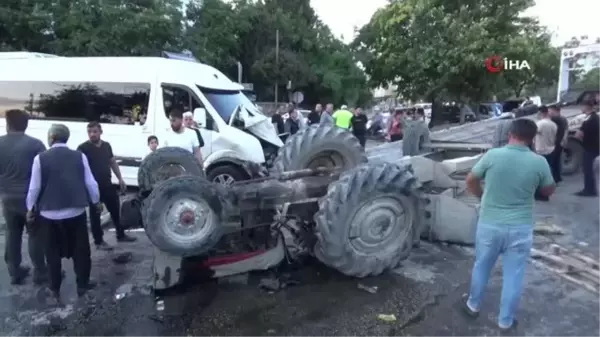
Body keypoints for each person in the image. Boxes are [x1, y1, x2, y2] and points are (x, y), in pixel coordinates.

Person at [461, 119, 555, 332]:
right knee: (514, 274)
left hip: (490, 223)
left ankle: (473, 306)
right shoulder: (538, 161)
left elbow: (470, 180)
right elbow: (548, 190)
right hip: (520, 227)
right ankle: (505, 322)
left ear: (511, 133)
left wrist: (481, 195)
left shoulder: (493, 155)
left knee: (482, 265)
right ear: (532, 138)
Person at [26, 124, 102, 299]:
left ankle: (54, 288)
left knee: (51, 253)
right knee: (81, 251)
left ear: (51, 137)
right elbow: (91, 183)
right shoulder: (79, 156)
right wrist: (96, 201)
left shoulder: (40, 158)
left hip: (48, 215)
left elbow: (34, 188)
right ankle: (82, 285)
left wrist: (30, 208)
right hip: (76, 212)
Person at [0, 109, 48, 285]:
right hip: (30, 200)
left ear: (8, 124)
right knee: (35, 234)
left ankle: (14, 271)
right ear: (26, 124)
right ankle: (40, 272)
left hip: (7, 198)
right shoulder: (35, 145)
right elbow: (45, 171)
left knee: (12, 233)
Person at [77, 122, 135, 250]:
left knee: (115, 210)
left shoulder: (106, 146)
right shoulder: (83, 148)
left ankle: (121, 234)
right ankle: (99, 241)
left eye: (95, 131)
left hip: (107, 184)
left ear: (100, 132)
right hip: (93, 187)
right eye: (89, 132)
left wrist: (120, 179)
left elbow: (112, 162)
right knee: (95, 215)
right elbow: (79, 168)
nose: (92, 134)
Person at [574, 100, 600, 197]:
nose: (581, 109)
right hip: (593, 146)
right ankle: (590, 189)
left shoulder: (590, 120)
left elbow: (579, 135)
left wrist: (580, 134)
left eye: (582, 106)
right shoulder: (594, 118)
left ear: (586, 107)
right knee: (587, 169)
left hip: (591, 147)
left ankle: (590, 190)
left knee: (587, 169)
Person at [549, 105, 568, 183]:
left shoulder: (555, 119)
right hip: (558, 141)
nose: (549, 112)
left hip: (556, 142)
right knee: (557, 160)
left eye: (550, 111)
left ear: (555, 111)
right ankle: (558, 177)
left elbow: (565, 129)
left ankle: (555, 178)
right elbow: (566, 129)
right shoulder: (563, 118)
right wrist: (564, 139)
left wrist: (564, 139)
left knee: (554, 161)